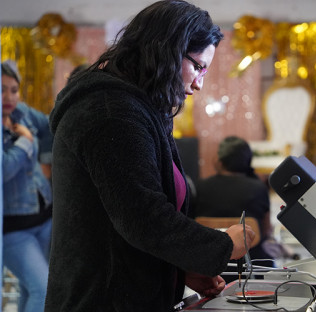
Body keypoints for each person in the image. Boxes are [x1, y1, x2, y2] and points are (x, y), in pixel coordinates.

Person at [44, 1, 255, 311]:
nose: (199, 83)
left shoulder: (137, 108)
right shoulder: (110, 112)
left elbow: (129, 221)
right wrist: (224, 244)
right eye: (197, 66)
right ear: (166, 51)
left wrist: (180, 269)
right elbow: (144, 218)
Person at [2, 60, 53, 312]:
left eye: (13, 89)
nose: (8, 97)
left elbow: (51, 127)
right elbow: (3, 171)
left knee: (29, 288)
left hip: (43, 220)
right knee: (42, 290)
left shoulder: (22, 113)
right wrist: (25, 141)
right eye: (1, 89)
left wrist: (47, 160)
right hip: (13, 229)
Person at [194, 136, 275, 280]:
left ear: (219, 161)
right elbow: (266, 231)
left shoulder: (200, 187)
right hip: (251, 268)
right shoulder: (259, 188)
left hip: (210, 267)